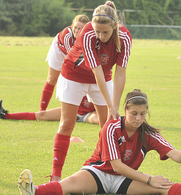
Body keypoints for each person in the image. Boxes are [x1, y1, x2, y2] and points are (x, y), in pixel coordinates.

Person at [18, 89, 181, 195]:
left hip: (125, 180)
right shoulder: (111, 127)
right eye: (134, 113)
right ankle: (33, 192)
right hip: (97, 173)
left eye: (142, 114)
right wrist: (149, 179)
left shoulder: (148, 132)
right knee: (66, 186)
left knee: (163, 187)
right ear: (125, 111)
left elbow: (174, 153)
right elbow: (115, 166)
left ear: (146, 113)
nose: (138, 118)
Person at [51, 1, 132, 181]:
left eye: (105, 32)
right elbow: (97, 73)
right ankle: (55, 176)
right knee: (67, 124)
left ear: (115, 27)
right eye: (97, 31)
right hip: (74, 76)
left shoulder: (125, 37)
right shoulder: (87, 34)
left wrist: (115, 106)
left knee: (107, 125)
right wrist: (110, 104)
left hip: (103, 77)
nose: (101, 36)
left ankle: (103, 168)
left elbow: (120, 74)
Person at [40, 14, 89, 111]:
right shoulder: (67, 36)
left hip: (75, 55)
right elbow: (72, 58)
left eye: (80, 28)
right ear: (72, 25)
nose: (77, 30)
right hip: (59, 50)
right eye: (75, 27)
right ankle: (42, 110)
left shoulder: (88, 36)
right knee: (52, 79)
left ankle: (82, 109)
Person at [0, 97, 98, 124]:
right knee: (42, 115)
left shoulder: (100, 81)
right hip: (73, 110)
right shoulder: (77, 79)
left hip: (90, 113)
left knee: (98, 119)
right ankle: (6, 115)